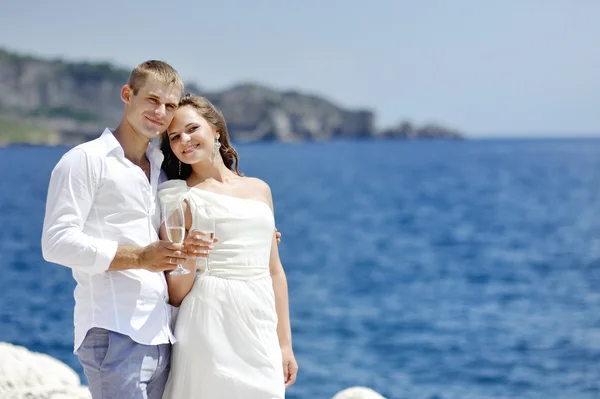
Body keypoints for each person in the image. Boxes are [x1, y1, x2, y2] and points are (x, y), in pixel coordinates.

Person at [41, 60, 213, 399]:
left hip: (162, 334)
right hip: (114, 332)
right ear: (126, 95)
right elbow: (56, 243)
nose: (160, 112)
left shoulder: (161, 170)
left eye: (169, 105)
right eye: (152, 99)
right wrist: (141, 257)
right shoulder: (85, 160)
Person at [158, 94, 298, 399]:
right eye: (175, 136)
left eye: (192, 129)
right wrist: (190, 257)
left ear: (216, 129)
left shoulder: (260, 190)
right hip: (209, 322)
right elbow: (177, 295)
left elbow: (275, 272)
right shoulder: (179, 200)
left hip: (259, 318)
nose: (185, 140)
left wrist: (285, 345)